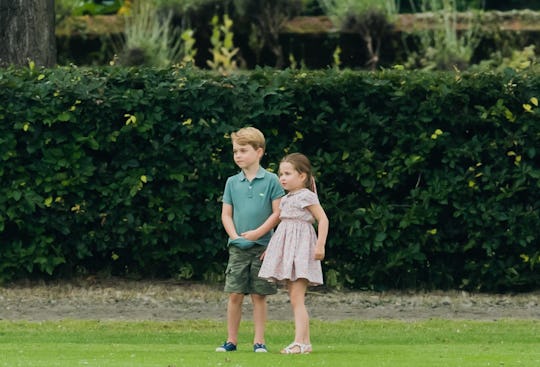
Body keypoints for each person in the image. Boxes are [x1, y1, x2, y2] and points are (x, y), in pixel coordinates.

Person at [216, 127, 285, 353]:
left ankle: (259, 342)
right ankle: (231, 341)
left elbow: (278, 213)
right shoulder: (231, 182)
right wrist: (234, 236)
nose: (238, 155)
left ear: (259, 152)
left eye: (243, 150)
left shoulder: (272, 180)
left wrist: (258, 233)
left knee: (259, 295)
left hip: (263, 247)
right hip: (237, 248)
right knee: (235, 294)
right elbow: (226, 214)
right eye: (235, 151)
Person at [258, 152, 329, 355]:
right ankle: (304, 342)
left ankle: (300, 342)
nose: (282, 178)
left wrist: (320, 246)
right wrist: (271, 251)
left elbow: (323, 220)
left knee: (297, 297)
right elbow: (282, 230)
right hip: (289, 251)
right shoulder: (288, 198)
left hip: (301, 251)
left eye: (288, 173)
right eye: (281, 173)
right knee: (294, 296)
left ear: (302, 176)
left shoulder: (306, 196)